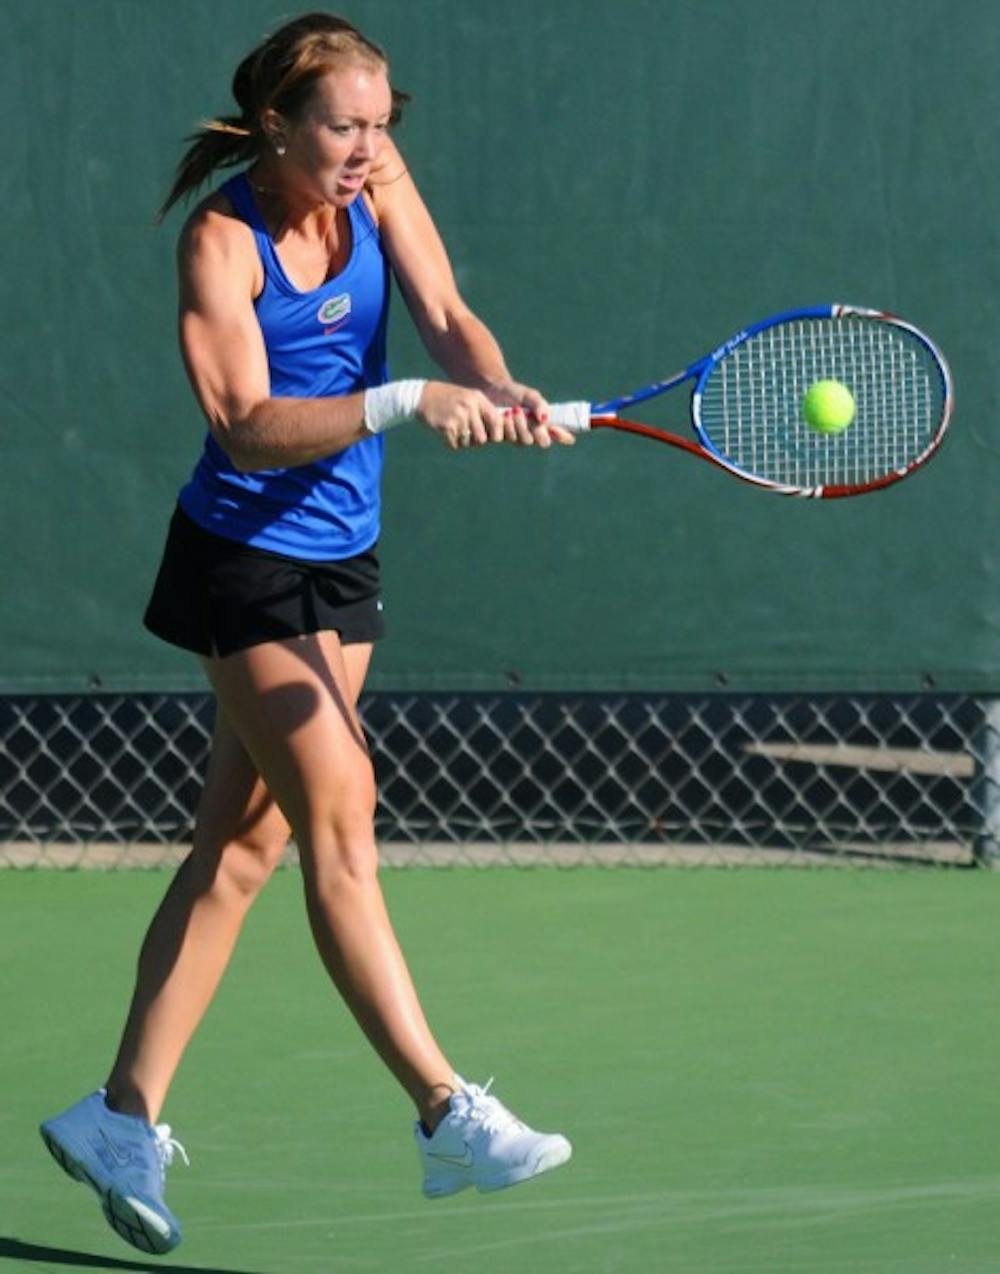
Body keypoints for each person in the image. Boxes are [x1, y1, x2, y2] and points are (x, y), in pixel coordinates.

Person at [39, 11, 573, 1256]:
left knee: (240, 846)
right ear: (275, 124)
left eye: (381, 125)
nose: (366, 147)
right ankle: (444, 1108)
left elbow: (446, 312)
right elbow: (241, 421)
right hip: (241, 562)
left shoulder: (378, 181)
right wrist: (401, 401)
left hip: (342, 557)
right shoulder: (221, 240)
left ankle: (120, 1115)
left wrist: (491, 383)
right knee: (342, 807)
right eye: (341, 124)